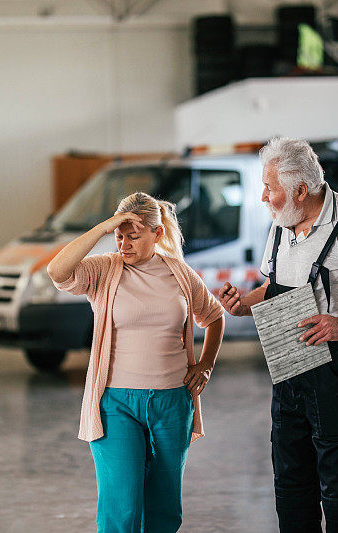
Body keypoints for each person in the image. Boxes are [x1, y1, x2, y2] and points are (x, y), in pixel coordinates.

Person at [218, 137, 338, 533]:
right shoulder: (282, 225)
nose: (264, 196)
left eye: (271, 188)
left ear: (301, 190)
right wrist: (243, 304)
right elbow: (273, 289)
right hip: (288, 368)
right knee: (291, 484)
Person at [47, 192, 225, 533]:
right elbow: (58, 271)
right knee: (122, 507)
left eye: (134, 235)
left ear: (156, 234)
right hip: (116, 403)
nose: (124, 244)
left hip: (173, 401)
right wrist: (104, 227)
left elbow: (214, 316)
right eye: (119, 235)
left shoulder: (179, 273)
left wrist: (205, 365)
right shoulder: (103, 270)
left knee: (164, 508)